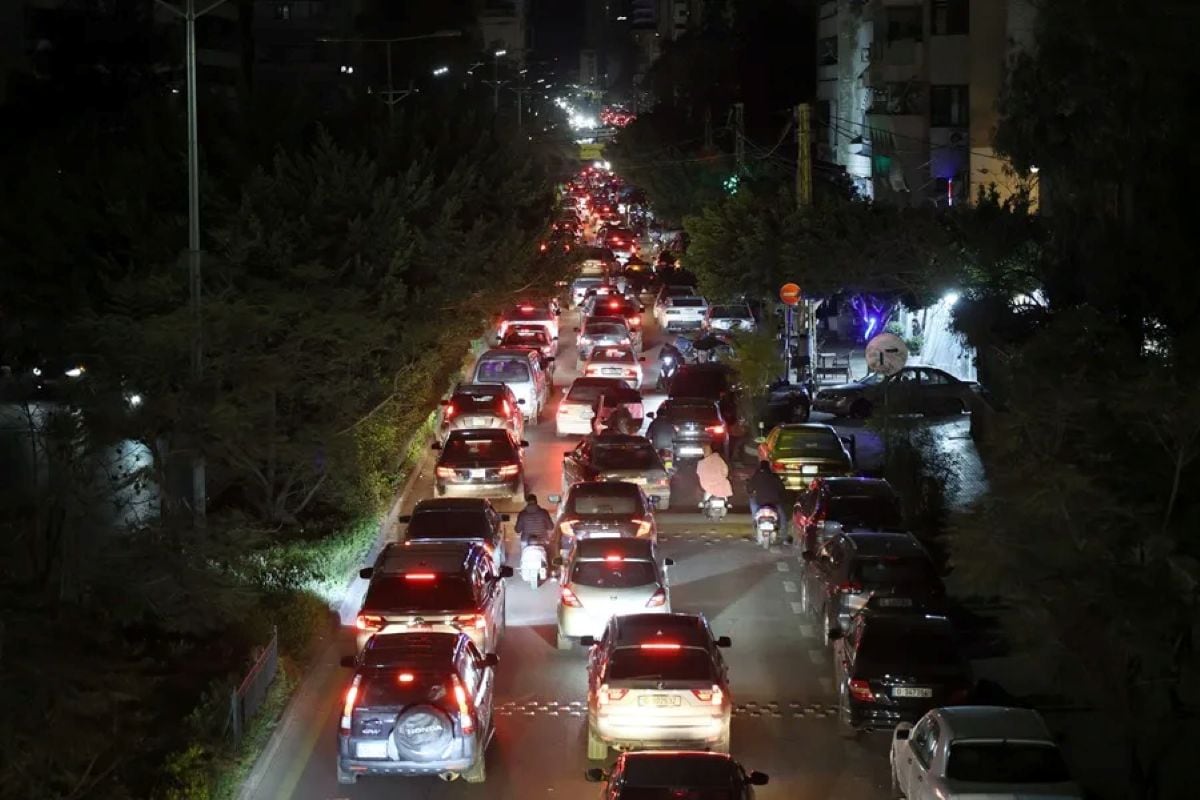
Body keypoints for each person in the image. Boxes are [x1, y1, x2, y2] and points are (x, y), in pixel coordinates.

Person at [746, 460, 789, 542]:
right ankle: (784, 536)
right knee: (782, 516)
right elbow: (781, 489)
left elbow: (749, 488)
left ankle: (755, 524)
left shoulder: (756, 476)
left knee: (753, 506)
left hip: (760, 502)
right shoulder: (774, 476)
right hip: (774, 502)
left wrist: (751, 492)